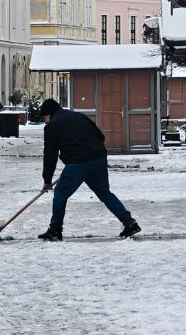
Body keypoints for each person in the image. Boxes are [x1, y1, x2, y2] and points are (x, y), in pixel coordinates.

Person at [38, 98, 140, 241]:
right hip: (98, 158)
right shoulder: (78, 116)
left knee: (60, 194)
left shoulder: (52, 126)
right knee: (105, 194)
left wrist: (47, 180)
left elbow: (50, 155)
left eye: (44, 118)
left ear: (48, 114)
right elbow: (100, 136)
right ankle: (130, 223)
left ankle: (55, 230)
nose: (45, 121)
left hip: (78, 163)